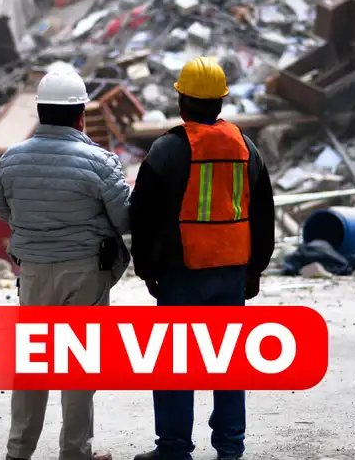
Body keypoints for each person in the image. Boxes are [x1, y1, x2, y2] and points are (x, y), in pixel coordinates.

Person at [128, 57, 276, 460]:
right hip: (232, 271)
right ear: (220, 102)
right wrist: (256, 268)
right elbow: (263, 211)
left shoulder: (167, 149)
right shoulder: (245, 147)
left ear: (182, 101)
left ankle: (174, 448)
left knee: (176, 362)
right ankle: (230, 447)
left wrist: (146, 268)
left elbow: (142, 214)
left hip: (181, 273)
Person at [0, 65, 131, 460]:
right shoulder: (100, 162)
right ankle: (75, 452)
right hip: (85, 271)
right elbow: (125, 219)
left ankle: (19, 451)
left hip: (34, 271)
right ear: (81, 115)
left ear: (40, 112)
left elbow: (4, 211)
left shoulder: (11, 160)